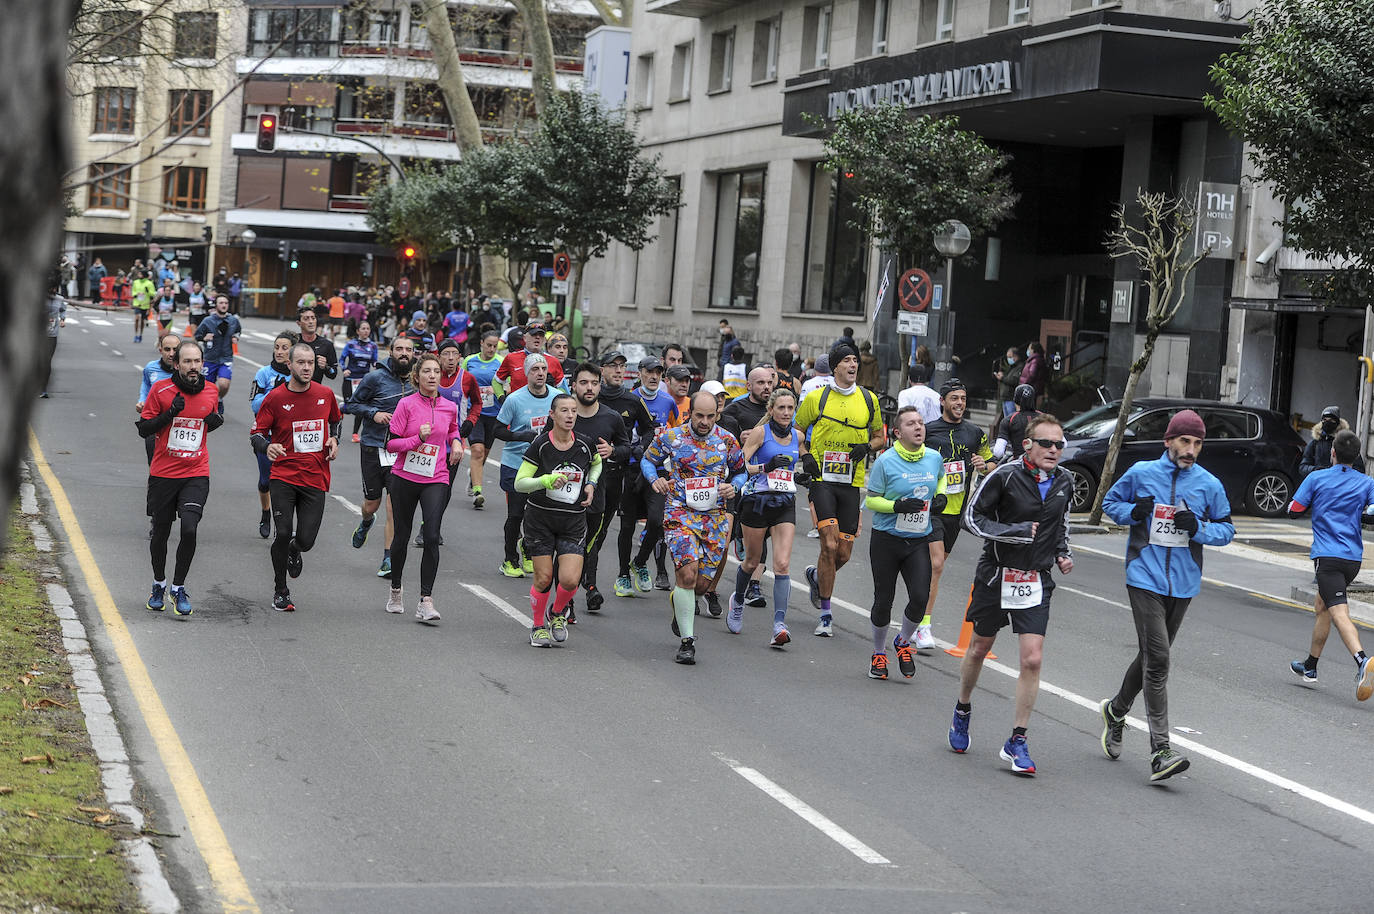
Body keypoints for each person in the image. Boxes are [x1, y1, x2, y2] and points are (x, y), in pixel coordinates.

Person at [1097, 408, 1235, 782]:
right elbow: (1109, 505)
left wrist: (1200, 528)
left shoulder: (1209, 484)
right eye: (1185, 441)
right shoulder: (1142, 473)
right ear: (1168, 441)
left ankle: (1116, 710)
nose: (1191, 449)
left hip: (1185, 584)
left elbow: (1227, 529)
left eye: (1197, 443)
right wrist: (1133, 511)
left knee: (1150, 656)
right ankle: (1161, 751)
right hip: (1144, 576)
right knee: (1159, 660)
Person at [948, 414, 1075, 775]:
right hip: (996, 575)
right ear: (1027, 445)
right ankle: (962, 709)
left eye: (1059, 444)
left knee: (1032, 659)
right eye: (1047, 443)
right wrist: (1015, 531)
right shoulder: (1003, 475)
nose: (1054, 450)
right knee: (978, 648)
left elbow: (1060, 525)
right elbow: (971, 518)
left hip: (1035, 579)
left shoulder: (1064, 480)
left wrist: (1063, 552)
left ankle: (1017, 740)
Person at [642, 391, 747, 665]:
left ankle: (681, 602)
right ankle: (687, 642)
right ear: (690, 413)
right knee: (687, 574)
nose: (704, 421)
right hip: (679, 512)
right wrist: (656, 479)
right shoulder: (671, 437)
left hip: (713, 517)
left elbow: (741, 470)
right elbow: (647, 460)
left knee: (700, 585)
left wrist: (733, 486)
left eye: (710, 416)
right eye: (699, 415)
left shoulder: (726, 440)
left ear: (717, 415)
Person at [796, 342, 885, 636]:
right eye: (846, 360)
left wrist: (867, 447)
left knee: (843, 553)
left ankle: (816, 577)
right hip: (822, 478)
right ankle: (825, 614)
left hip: (851, 482)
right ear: (835, 366)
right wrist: (806, 455)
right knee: (829, 544)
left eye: (855, 360)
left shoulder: (869, 399)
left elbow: (880, 436)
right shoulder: (818, 399)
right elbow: (796, 430)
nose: (853, 365)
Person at [250, 343, 343, 613]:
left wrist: (334, 438)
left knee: (306, 540)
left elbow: (335, 421)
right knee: (282, 533)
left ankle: (295, 549)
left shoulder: (325, 394)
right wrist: (267, 446)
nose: (306, 367)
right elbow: (256, 433)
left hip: (315, 477)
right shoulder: (276, 398)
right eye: (300, 362)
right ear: (289, 364)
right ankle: (281, 589)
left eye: (310, 363)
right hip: (284, 476)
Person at [136, 341, 223, 618]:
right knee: (160, 532)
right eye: (187, 361)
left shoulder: (210, 390)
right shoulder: (161, 391)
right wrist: (169, 413)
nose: (193, 366)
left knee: (189, 529)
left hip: (196, 472)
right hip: (164, 473)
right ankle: (158, 584)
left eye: (197, 361)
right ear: (177, 364)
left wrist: (215, 421)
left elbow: (209, 418)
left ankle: (178, 587)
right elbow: (144, 429)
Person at [1287, 429, 1374, 700]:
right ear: (1357, 455)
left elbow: (1293, 510)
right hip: (1353, 559)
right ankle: (1310, 666)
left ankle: (1362, 662)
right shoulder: (1367, 482)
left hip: (1327, 557)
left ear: (1332, 452)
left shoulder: (1317, 477)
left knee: (1338, 611)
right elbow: (1372, 514)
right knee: (1322, 606)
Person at [864, 407, 946, 679]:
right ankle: (878, 652)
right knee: (883, 600)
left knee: (920, 598)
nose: (919, 427)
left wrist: (942, 495)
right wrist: (896, 505)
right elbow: (872, 500)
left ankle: (902, 641)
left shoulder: (934, 458)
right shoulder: (885, 462)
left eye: (921, 422)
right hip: (886, 540)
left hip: (918, 539)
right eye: (911, 424)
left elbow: (941, 478)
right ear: (898, 432)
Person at [382, 352, 463, 622]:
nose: (432, 376)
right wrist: (417, 438)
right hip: (405, 476)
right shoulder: (406, 405)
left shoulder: (449, 406)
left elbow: (453, 429)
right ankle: (395, 590)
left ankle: (425, 600)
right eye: (427, 371)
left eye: (436, 372)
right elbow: (391, 444)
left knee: (431, 536)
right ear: (417, 377)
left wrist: (456, 442)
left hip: (436, 476)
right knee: (402, 536)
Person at [516, 393, 602, 645]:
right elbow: (520, 483)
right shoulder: (541, 445)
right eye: (564, 410)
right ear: (552, 415)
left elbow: (596, 464)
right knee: (543, 578)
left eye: (573, 411)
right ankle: (538, 625)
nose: (570, 415)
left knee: (570, 579)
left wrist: (591, 484)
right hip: (540, 519)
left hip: (572, 521)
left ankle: (556, 613)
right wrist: (545, 480)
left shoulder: (585, 445)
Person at [922, 378, 996, 651]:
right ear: (943, 401)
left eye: (963, 399)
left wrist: (983, 463)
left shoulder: (975, 433)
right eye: (954, 398)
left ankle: (917, 615)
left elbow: (991, 463)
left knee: (934, 570)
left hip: (957, 510)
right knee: (937, 564)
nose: (960, 403)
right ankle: (924, 624)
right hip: (931, 509)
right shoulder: (929, 431)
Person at [733, 388, 802, 645]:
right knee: (751, 562)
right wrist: (766, 467)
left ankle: (779, 625)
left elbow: (796, 463)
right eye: (781, 408)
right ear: (771, 410)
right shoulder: (761, 433)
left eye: (790, 408)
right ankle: (738, 601)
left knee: (782, 564)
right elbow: (739, 464)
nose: (786, 413)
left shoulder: (798, 435)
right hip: (757, 501)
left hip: (784, 502)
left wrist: (803, 474)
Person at [345, 335, 416, 578]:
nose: (404, 353)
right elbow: (350, 405)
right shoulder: (375, 378)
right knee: (372, 504)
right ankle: (366, 521)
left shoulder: (418, 380)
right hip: (374, 447)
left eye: (408, 349)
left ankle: (388, 558)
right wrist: (373, 413)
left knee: (394, 506)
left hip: (402, 450)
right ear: (391, 351)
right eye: (399, 349)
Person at [570, 361, 631, 616]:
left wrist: (613, 450)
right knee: (570, 545)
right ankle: (570, 600)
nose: (590, 388)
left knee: (591, 542)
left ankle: (590, 585)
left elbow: (627, 447)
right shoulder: (565, 413)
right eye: (584, 383)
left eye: (594, 383)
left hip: (598, 491)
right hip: (565, 493)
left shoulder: (611, 417)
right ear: (573, 386)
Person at [595, 351, 656, 598]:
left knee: (623, 524)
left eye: (622, 366)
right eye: (613, 366)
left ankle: (623, 572)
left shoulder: (632, 400)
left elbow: (649, 429)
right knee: (594, 529)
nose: (619, 370)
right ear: (602, 370)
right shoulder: (592, 396)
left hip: (624, 471)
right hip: (592, 471)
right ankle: (591, 580)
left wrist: (637, 448)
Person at [494, 353, 556, 577]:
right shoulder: (514, 399)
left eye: (543, 369)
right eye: (535, 369)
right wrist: (523, 436)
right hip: (516, 464)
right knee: (516, 514)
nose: (540, 373)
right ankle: (509, 559)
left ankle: (528, 550)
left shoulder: (557, 398)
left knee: (536, 516)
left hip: (543, 465)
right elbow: (498, 430)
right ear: (527, 374)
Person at [624, 356, 680, 591]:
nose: (654, 376)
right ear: (640, 373)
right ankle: (622, 573)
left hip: (656, 469)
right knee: (627, 525)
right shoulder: (629, 398)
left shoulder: (668, 401)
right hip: (630, 466)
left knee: (657, 521)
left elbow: (676, 432)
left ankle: (639, 562)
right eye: (649, 372)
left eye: (658, 372)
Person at [249, 332, 296, 538]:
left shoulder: (298, 375)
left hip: (289, 438)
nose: (279, 351)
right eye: (277, 347)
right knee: (266, 481)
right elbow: (255, 405)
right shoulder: (263, 374)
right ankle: (265, 512)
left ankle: (282, 523)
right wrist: (274, 392)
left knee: (285, 483)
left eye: (284, 348)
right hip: (265, 436)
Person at [434, 339, 482, 525]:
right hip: (430, 439)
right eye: (446, 354)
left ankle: (431, 525)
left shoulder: (467, 378)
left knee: (445, 486)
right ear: (439, 357)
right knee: (429, 486)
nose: (451, 358)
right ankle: (429, 523)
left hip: (454, 441)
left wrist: (470, 421)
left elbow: (477, 403)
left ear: (460, 357)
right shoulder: (431, 376)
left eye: (455, 353)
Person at [462, 331, 503, 508]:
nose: (492, 349)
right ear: (481, 343)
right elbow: (461, 382)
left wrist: (501, 391)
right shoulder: (469, 361)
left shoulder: (501, 362)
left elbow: (507, 383)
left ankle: (473, 477)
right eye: (489, 345)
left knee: (484, 453)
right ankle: (477, 491)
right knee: (477, 450)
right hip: (474, 411)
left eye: (495, 346)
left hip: (494, 414)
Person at [137, 334, 182, 464]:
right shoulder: (151, 368)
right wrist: (142, 400)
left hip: (177, 423)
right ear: (160, 350)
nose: (172, 354)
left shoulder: (186, 370)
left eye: (175, 349)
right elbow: (146, 384)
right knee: (155, 462)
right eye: (167, 349)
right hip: (154, 421)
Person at [196, 294, 241, 412]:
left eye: (226, 303)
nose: (224, 305)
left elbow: (238, 331)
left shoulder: (233, 320)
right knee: (206, 388)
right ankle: (206, 406)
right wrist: (204, 337)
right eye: (221, 303)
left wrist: (236, 337)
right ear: (216, 305)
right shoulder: (208, 320)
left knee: (224, 384)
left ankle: (219, 399)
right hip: (210, 358)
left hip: (226, 358)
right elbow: (197, 335)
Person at [495, 322, 565, 392]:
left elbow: (563, 388)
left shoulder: (553, 361)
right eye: (534, 334)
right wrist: (502, 398)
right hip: (519, 402)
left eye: (541, 335)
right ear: (524, 338)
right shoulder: (511, 358)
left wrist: (553, 390)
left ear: (544, 340)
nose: (537, 337)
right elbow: (496, 381)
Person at [340, 320, 379, 442]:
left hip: (364, 381)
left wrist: (378, 368)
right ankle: (341, 409)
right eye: (363, 328)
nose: (366, 331)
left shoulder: (373, 346)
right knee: (350, 407)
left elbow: (374, 361)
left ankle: (355, 434)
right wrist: (344, 369)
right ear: (358, 331)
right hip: (350, 379)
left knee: (360, 407)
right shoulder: (351, 344)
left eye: (368, 329)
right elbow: (341, 359)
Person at [1299, 406, 1365, 479]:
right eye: (1324, 420)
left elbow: (1360, 469)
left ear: (1337, 423)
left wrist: (1341, 472)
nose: (1327, 422)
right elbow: (1303, 468)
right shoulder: (1315, 443)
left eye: (1331, 420)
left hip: (1341, 485)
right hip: (1320, 484)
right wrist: (1315, 470)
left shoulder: (1347, 443)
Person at [993, 384, 1041, 461]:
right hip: (1042, 465)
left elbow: (998, 452)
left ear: (1015, 399)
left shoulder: (1009, 419)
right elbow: (1063, 443)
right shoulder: (1045, 418)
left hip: (1019, 464)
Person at [296, 306, 338, 384]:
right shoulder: (293, 341)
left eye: (313, 318)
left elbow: (333, 374)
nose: (311, 321)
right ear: (299, 323)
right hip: (294, 390)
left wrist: (326, 367)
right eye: (306, 319)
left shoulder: (326, 344)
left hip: (314, 392)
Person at [41, 287, 66, 398]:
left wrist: (62, 320)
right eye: (50, 287)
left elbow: (63, 310)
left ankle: (43, 389)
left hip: (52, 334)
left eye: (55, 287)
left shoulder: (59, 299)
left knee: (47, 361)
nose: (53, 289)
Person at [993, 346, 1022, 417]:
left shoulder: (1020, 367)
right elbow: (1008, 378)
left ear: (1015, 356)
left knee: (1011, 420)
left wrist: (1002, 378)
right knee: (1007, 420)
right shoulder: (1012, 367)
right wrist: (1002, 376)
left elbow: (1015, 381)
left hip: (1011, 398)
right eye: (1007, 357)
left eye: (1010, 357)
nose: (1008, 359)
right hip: (1005, 398)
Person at [130, 270, 155, 342]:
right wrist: (135, 294)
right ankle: (135, 334)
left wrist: (148, 291)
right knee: (137, 318)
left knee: (142, 320)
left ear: (144, 275)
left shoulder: (149, 283)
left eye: (140, 274)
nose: (138, 275)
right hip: (137, 303)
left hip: (145, 304)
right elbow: (133, 290)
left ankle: (140, 334)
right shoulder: (136, 282)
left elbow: (152, 293)